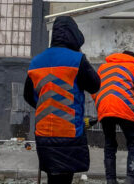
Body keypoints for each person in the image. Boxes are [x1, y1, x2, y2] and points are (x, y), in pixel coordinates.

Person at [24, 15, 101, 184]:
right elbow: (95, 85)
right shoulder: (76, 59)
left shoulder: (35, 62)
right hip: (69, 131)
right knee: (65, 178)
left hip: (44, 132)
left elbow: (28, 96)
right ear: (74, 35)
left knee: (54, 177)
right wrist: (82, 58)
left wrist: (46, 107)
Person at [95, 49, 134, 184]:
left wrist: (103, 104)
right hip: (124, 108)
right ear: (133, 58)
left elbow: (95, 89)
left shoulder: (103, 68)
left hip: (104, 107)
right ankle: (132, 177)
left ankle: (110, 180)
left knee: (109, 143)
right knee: (133, 141)